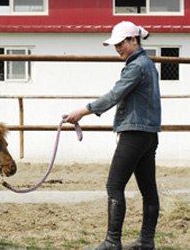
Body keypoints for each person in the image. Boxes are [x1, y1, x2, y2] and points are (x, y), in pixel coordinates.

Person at [65, 21, 161, 250]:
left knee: (114, 185)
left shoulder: (136, 66)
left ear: (133, 40)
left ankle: (112, 241)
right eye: (115, 45)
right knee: (148, 189)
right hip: (148, 133)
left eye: (121, 43)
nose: (118, 48)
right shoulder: (147, 64)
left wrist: (83, 111)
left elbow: (114, 95)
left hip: (134, 133)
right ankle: (146, 241)